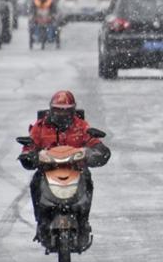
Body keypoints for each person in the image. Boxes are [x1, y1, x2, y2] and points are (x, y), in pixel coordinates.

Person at [18, 90, 110, 240]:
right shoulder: (40, 127)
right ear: (51, 110)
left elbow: (93, 142)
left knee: (87, 180)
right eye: (58, 111)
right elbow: (30, 145)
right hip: (47, 171)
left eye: (66, 111)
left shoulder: (81, 126)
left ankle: (83, 221)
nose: (61, 115)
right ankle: (41, 221)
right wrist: (29, 155)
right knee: (35, 183)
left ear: (73, 111)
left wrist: (97, 151)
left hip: (76, 170)